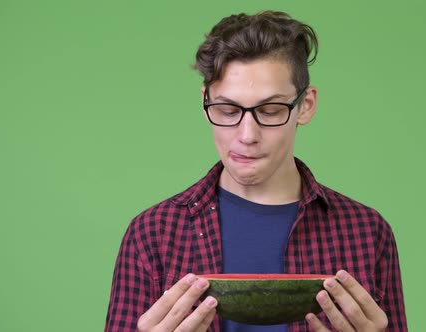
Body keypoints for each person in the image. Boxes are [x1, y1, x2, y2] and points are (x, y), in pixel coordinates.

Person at [105, 10, 407, 332]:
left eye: (271, 110)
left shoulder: (367, 233)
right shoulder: (151, 234)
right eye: (227, 109)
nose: (247, 135)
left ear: (305, 106)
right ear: (205, 102)